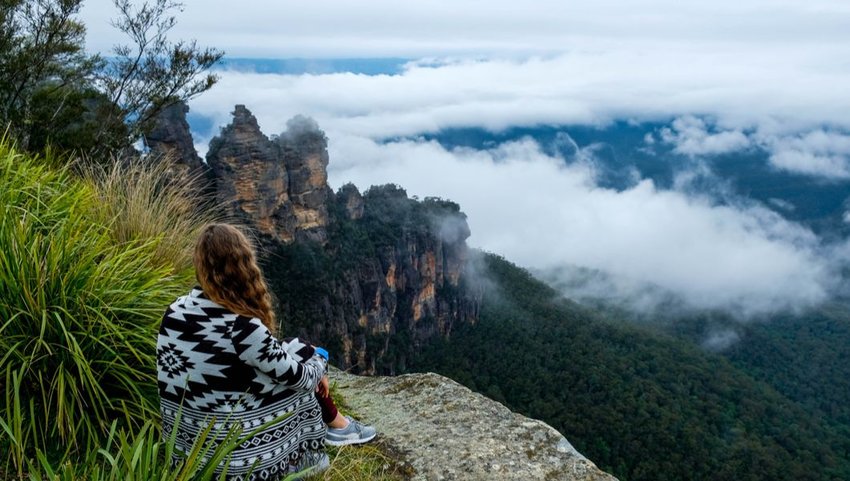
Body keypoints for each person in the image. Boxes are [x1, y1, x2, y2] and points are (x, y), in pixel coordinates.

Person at [156, 223, 373, 480]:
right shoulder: (242, 327)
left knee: (292, 350)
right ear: (245, 265)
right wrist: (320, 358)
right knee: (302, 384)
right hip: (231, 466)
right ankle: (319, 445)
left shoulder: (175, 311)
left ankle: (337, 422)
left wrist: (304, 351)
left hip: (184, 457)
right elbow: (302, 378)